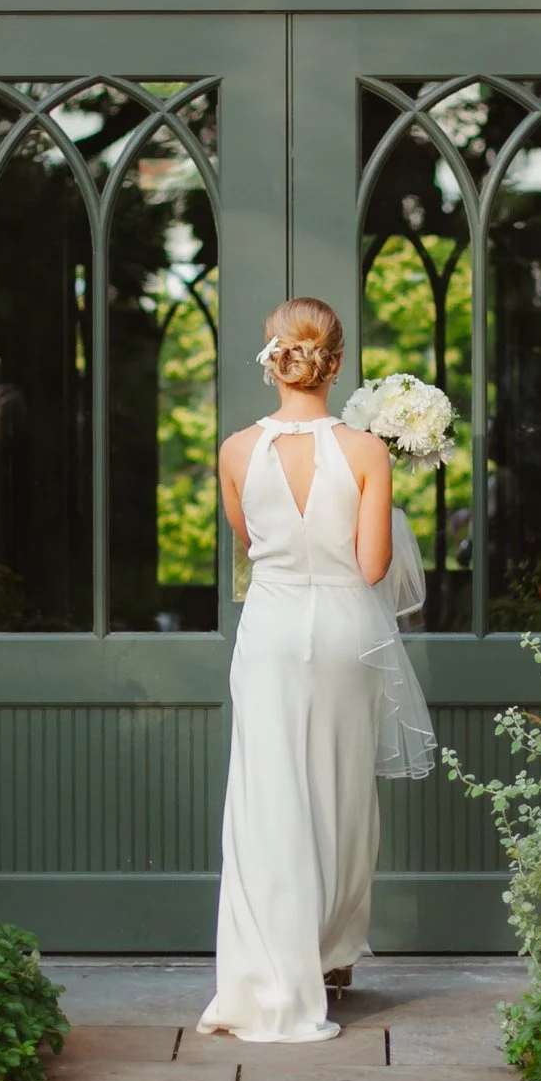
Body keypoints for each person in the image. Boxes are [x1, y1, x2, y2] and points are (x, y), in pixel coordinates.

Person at [197, 297, 434, 1042]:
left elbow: (250, 541)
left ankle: (267, 969)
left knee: (268, 798)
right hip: (342, 633)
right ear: (335, 363)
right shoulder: (367, 452)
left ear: (274, 356)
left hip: (268, 629)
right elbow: (371, 565)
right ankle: (330, 957)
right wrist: (384, 512)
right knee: (338, 794)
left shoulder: (235, 449)